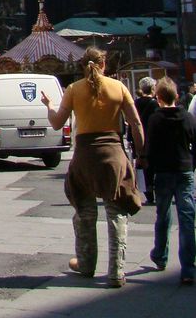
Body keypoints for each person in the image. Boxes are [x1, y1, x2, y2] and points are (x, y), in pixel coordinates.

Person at [41, 47, 145, 288]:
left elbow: (57, 124)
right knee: (116, 213)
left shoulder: (74, 89)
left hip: (85, 157)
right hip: (113, 156)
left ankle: (86, 264)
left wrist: (48, 106)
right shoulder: (118, 87)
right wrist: (141, 154)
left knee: (85, 214)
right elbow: (136, 123)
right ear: (104, 64)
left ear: (83, 66)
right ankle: (117, 271)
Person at [144, 77, 196, 285]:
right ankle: (188, 268)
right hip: (184, 170)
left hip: (164, 172)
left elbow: (151, 148)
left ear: (158, 97)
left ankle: (160, 255)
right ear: (176, 95)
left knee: (163, 215)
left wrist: (151, 170)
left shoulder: (155, 119)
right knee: (187, 218)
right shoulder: (188, 118)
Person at [134, 77, 158, 204]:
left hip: (140, 140)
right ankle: (155, 190)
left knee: (143, 168)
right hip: (152, 140)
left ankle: (148, 193)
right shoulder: (155, 104)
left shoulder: (136, 103)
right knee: (154, 167)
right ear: (153, 89)